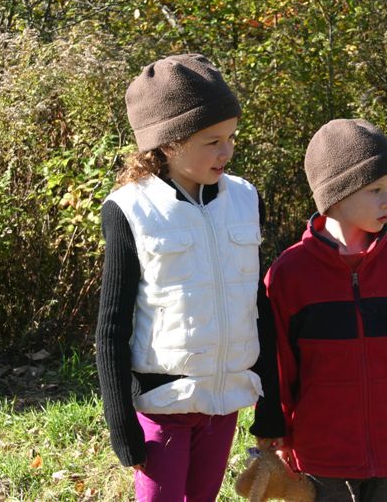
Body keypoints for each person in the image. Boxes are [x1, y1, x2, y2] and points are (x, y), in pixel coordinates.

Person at [95, 54, 284, 502]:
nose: (227, 151)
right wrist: (120, 423)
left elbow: (257, 307)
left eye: (231, 137)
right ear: (168, 144)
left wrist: (270, 405)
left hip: (223, 403)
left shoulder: (243, 198)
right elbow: (112, 327)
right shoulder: (129, 210)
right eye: (212, 141)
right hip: (163, 405)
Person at [262, 119, 387, 501]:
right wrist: (279, 433)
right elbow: (277, 366)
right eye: (375, 189)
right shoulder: (290, 274)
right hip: (323, 455)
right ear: (336, 195)